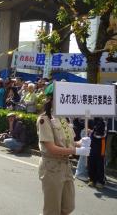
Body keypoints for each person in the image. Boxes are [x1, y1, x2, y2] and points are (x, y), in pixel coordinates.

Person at [37, 84, 91, 215]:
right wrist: (76, 151)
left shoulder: (63, 118)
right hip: (52, 167)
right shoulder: (44, 119)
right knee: (52, 210)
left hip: (66, 166)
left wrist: (80, 142)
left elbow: (68, 142)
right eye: (62, 96)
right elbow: (51, 148)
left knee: (68, 207)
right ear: (52, 98)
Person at [88, 117, 107, 188]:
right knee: (91, 161)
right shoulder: (91, 118)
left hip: (101, 144)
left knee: (100, 162)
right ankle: (92, 179)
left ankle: (100, 181)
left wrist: (92, 131)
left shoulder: (104, 121)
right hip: (92, 143)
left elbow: (102, 135)